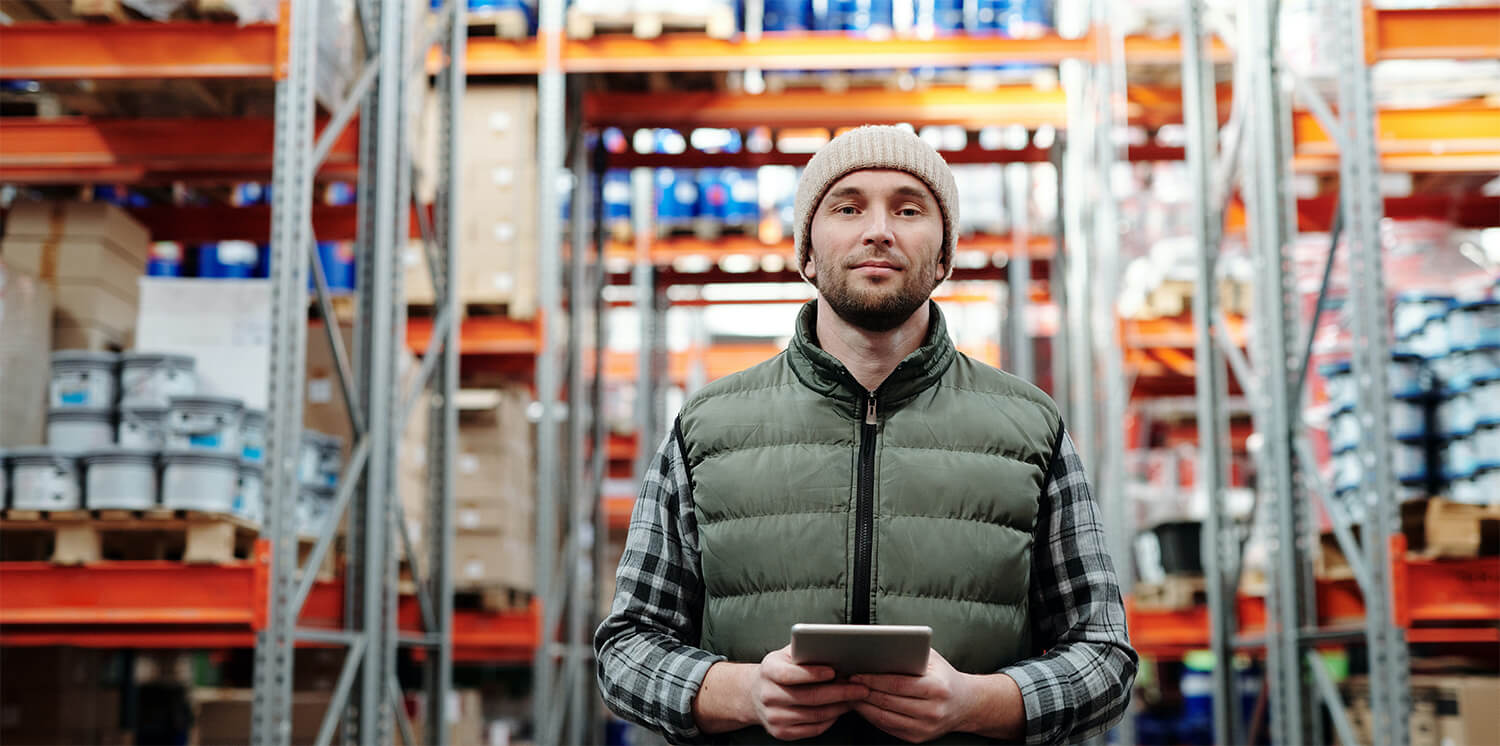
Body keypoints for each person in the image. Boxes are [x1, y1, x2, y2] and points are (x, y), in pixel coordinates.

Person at [595, 125, 1137, 744]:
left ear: (943, 256)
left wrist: (974, 703)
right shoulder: (707, 429)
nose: (878, 229)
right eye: (847, 207)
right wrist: (744, 693)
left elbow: (1104, 658)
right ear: (806, 252)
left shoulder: (1030, 427)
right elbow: (627, 649)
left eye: (909, 209)